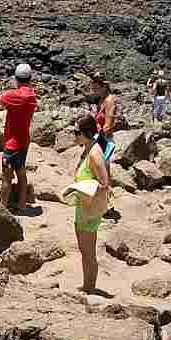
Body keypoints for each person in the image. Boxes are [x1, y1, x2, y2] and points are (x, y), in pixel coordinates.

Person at [66, 115, 117, 297]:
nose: (73, 135)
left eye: (76, 132)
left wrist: (83, 188)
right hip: (82, 207)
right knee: (84, 249)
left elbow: (105, 184)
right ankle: (87, 286)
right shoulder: (87, 149)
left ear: (87, 133)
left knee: (88, 252)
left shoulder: (95, 154)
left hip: (89, 210)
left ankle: (89, 288)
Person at [0, 64, 41, 210]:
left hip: (12, 144)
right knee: (21, 172)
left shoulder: (14, 95)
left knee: (6, 177)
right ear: (30, 79)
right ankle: (22, 205)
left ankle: (3, 207)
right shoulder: (31, 95)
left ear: (16, 78)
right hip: (24, 141)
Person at [92, 73, 118, 158]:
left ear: (104, 87)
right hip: (99, 137)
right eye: (93, 88)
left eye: (96, 88)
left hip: (104, 140)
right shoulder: (101, 100)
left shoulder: (109, 101)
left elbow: (108, 126)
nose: (94, 91)